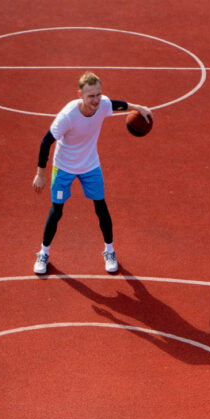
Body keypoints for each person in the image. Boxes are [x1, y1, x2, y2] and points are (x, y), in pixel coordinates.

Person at [33, 72, 152, 276]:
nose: (96, 99)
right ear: (80, 94)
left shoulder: (103, 104)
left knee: (101, 206)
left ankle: (109, 251)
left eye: (98, 94)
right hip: (64, 167)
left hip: (90, 165)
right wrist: (40, 174)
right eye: (91, 96)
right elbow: (46, 142)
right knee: (57, 210)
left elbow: (116, 104)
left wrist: (138, 107)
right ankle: (43, 253)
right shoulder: (67, 116)